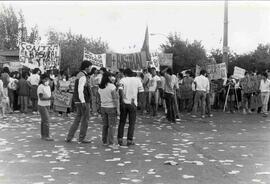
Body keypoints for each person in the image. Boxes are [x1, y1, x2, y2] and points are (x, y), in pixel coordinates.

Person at [66, 60, 92, 144]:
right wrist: (83, 101)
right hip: (83, 100)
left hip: (78, 100)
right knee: (85, 119)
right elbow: (80, 90)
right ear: (86, 67)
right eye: (90, 67)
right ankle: (82, 137)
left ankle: (69, 137)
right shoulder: (83, 76)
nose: (91, 68)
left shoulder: (79, 75)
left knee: (78, 119)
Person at [117, 68, 144, 146]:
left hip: (124, 103)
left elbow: (120, 90)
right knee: (132, 123)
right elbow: (141, 92)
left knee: (122, 122)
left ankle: (120, 139)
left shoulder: (123, 80)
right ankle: (129, 140)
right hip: (133, 103)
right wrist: (139, 103)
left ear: (125, 74)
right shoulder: (138, 80)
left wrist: (122, 99)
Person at [98, 72, 119, 148]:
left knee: (105, 125)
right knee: (112, 126)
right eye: (111, 76)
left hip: (103, 107)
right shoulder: (112, 86)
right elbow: (115, 99)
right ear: (109, 77)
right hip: (111, 107)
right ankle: (111, 142)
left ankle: (104, 141)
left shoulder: (100, 87)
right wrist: (118, 109)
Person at [37, 74, 54, 141]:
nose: (47, 81)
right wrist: (50, 98)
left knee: (43, 120)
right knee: (46, 120)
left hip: (47, 105)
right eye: (45, 79)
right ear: (42, 79)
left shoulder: (48, 86)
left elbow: (49, 94)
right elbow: (41, 97)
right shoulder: (40, 87)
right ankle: (46, 136)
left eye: (48, 79)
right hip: (42, 105)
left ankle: (43, 135)